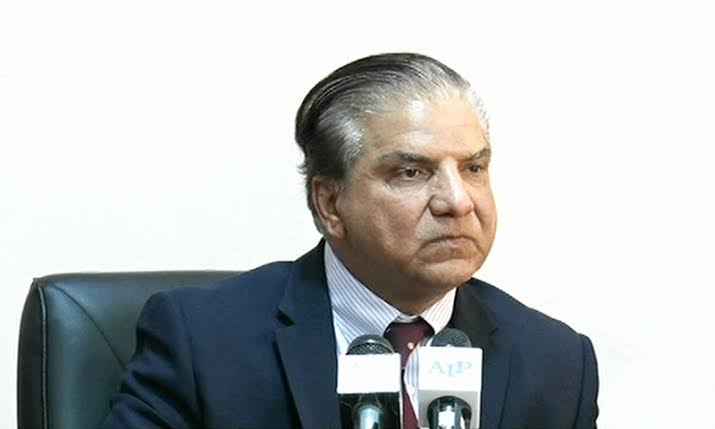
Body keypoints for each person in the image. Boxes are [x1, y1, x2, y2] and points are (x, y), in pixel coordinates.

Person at [102, 53, 599, 429]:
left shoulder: (555, 360)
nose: (457, 201)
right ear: (331, 204)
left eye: (473, 168)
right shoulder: (203, 340)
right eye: (411, 172)